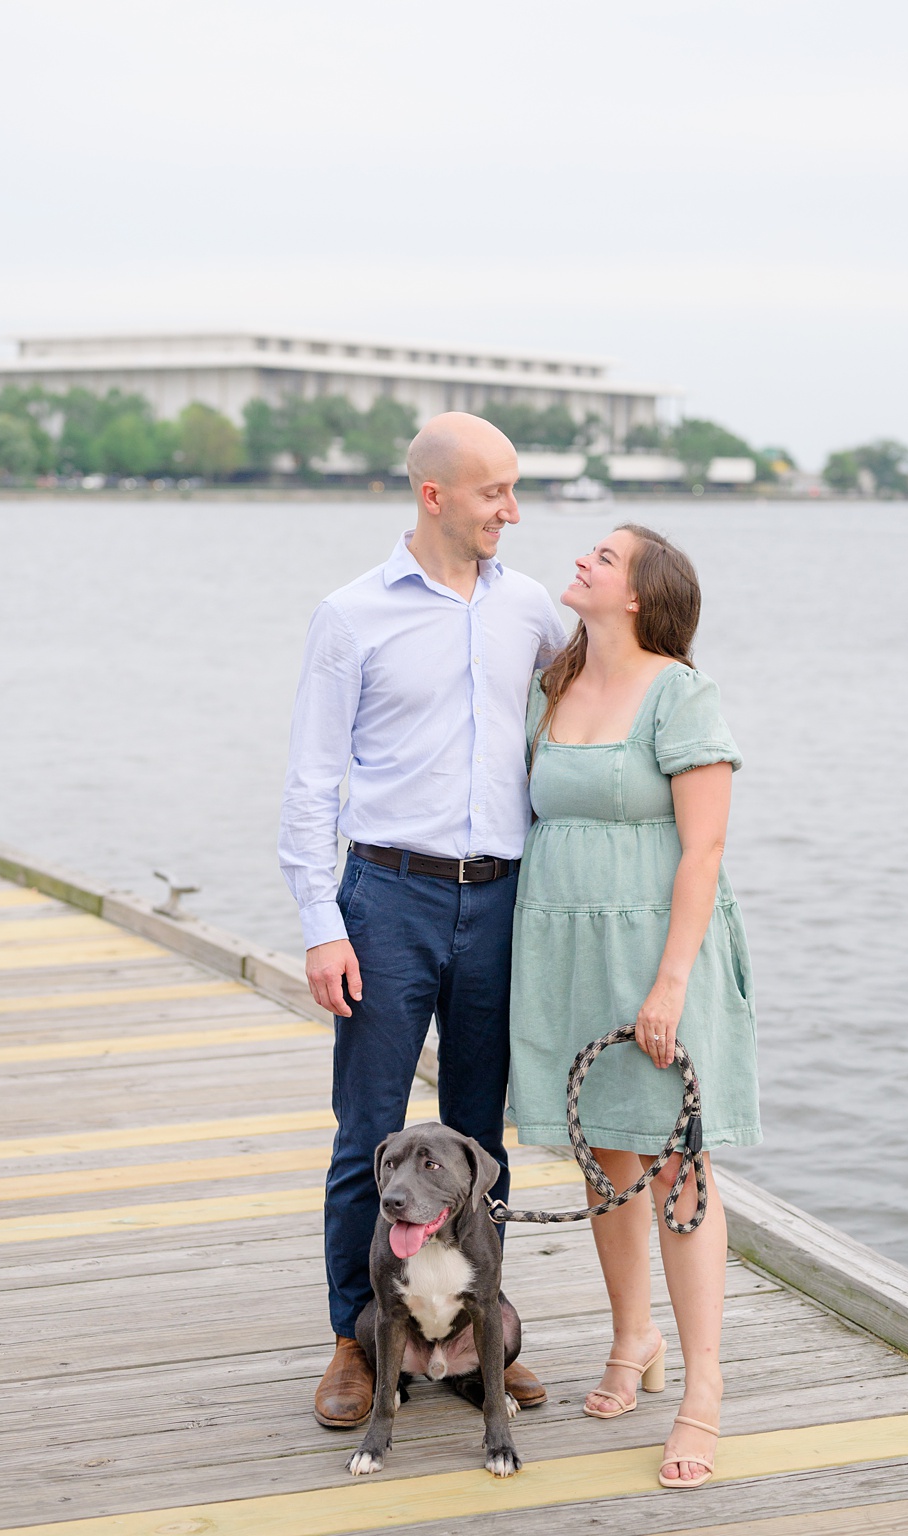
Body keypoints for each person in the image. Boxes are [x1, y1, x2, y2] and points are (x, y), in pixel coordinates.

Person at [280, 412, 563, 1429]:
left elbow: (594, 707)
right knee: (370, 1137)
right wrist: (322, 919)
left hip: (501, 899)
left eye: (515, 489)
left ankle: (473, 1332)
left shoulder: (533, 609)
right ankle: (358, 1341)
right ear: (434, 494)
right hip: (386, 896)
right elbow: (313, 781)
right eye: (495, 492)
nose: (513, 511)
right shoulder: (351, 615)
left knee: (480, 1141)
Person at [509, 524, 758, 1491]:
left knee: (674, 1166)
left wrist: (669, 984)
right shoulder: (555, 681)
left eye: (604, 559)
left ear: (642, 597)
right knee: (603, 1153)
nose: (582, 562)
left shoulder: (681, 693)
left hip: (659, 947)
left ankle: (703, 1389)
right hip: (565, 947)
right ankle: (631, 1338)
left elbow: (704, 849)